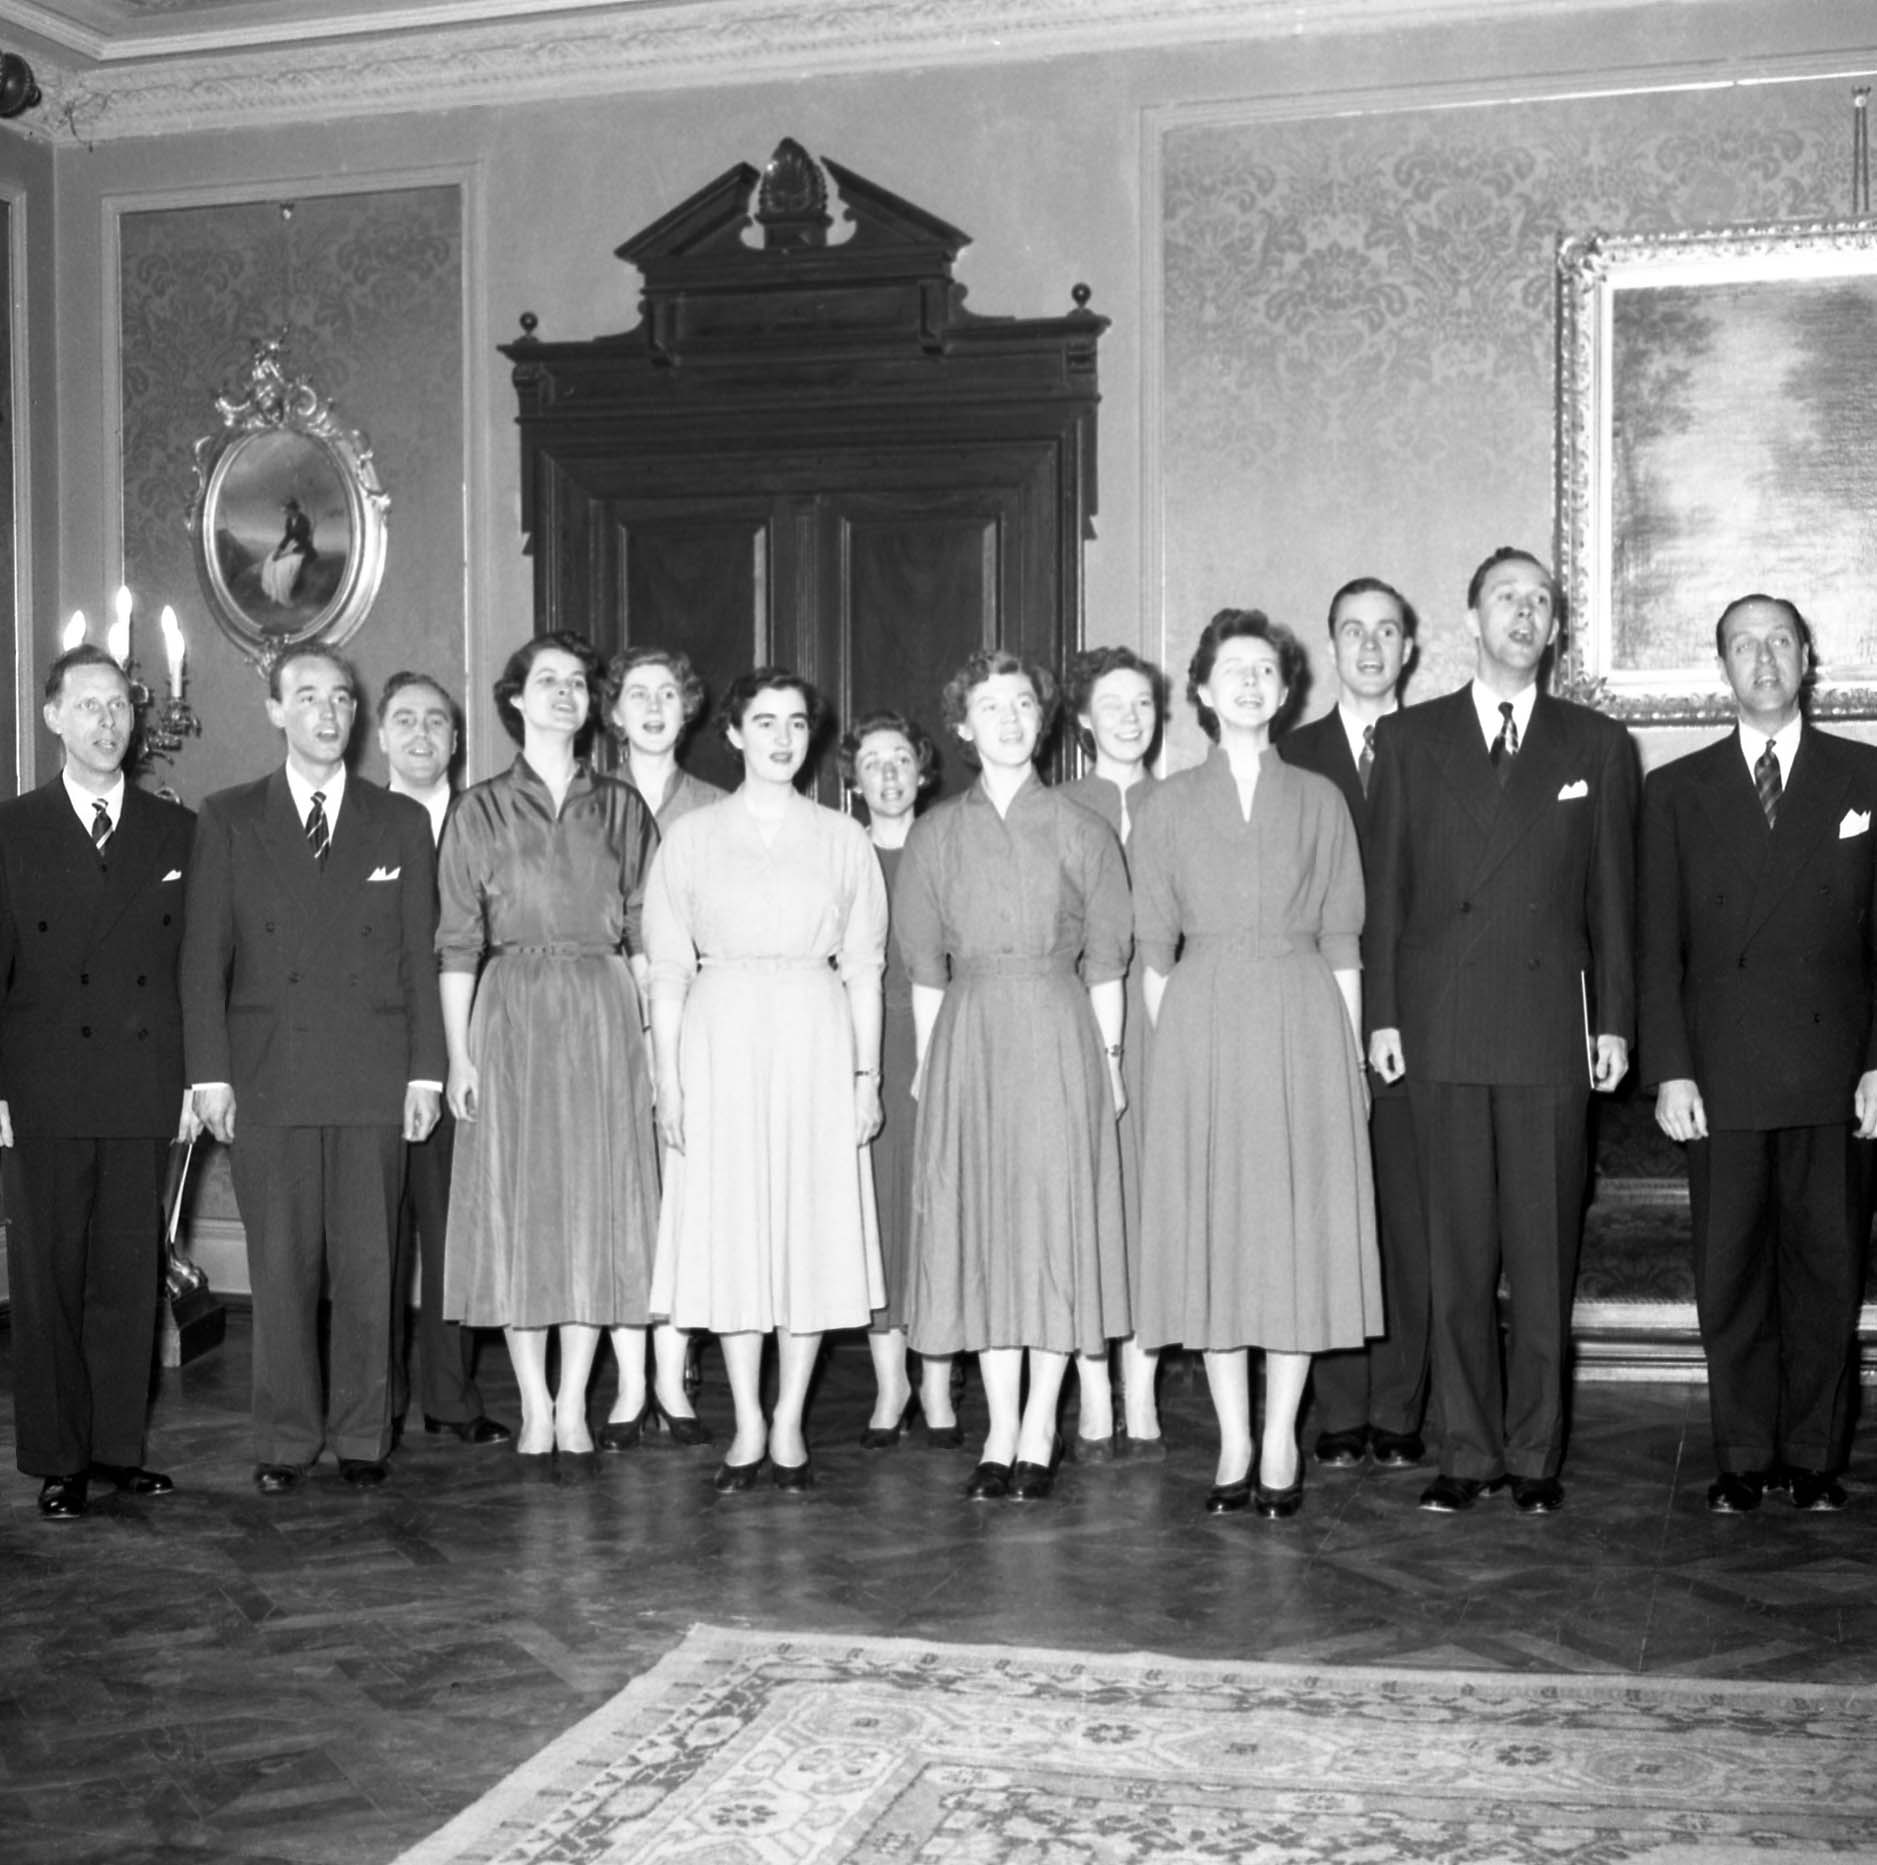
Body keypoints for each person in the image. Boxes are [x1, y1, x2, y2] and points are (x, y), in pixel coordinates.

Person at [1365, 546, 1637, 1516]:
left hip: (1545, 1032)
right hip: (1438, 1027)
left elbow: (1613, 901)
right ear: (1470, 620)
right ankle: (1466, 1452)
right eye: (1505, 598)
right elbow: (1385, 893)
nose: (1524, 613)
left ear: (1554, 628)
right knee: (1456, 1258)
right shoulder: (1408, 739)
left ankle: (1533, 1455)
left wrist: (1612, 1021)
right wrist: (1383, 1014)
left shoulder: (1595, 744)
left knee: (1540, 1252)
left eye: (1540, 601)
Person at [1133, 611, 1380, 1519]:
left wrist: (1347, 1062)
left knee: (1291, 1237)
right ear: (1201, 690)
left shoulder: (1319, 798)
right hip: (1201, 1027)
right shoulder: (1165, 805)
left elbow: (1343, 941)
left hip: (1302, 1023)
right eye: (1231, 668)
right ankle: (1233, 1436)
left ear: (1284, 690)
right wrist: (1175, 1070)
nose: (1248, 681)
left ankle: (1280, 1435)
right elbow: (1153, 953)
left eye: (1264, 669)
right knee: (1217, 1236)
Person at [182, 647, 445, 1493]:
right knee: (282, 1269)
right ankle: (286, 1439)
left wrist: (427, 1074)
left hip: (374, 1076)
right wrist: (208, 1074)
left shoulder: (397, 820)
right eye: (306, 698)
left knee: (370, 1268)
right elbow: (203, 959)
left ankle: (365, 1435)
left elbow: (419, 959)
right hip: (270, 1075)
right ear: (274, 710)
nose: (327, 714)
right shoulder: (228, 816)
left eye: (340, 699)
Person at [1640, 595, 1877, 1515]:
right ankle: (1742, 1456)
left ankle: (1815, 1457)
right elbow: (1657, 947)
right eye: (1743, 645)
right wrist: (1671, 1068)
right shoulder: (1676, 790)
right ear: (1722, 669)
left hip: (1836, 1073)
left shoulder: (1864, 775)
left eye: (1779, 640)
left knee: (1826, 1268)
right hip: (1720, 1073)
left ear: (1806, 656)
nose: (1763, 659)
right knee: (1731, 1271)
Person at [896, 649, 1131, 1504]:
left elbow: (1106, 963)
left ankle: (1039, 1426)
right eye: (989, 706)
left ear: (1044, 719)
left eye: (1023, 704)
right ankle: (998, 1427)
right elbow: (924, 969)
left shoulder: (1081, 828)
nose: (1008, 719)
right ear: (963, 726)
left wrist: (1109, 1064)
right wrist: (931, 1069)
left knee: (1052, 1228)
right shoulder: (935, 834)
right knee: (985, 1232)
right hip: (969, 1039)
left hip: (1059, 1032)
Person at [645, 668, 887, 1492]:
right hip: (719, 1042)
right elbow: (668, 971)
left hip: (815, 1038)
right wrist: (669, 1080)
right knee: (734, 1232)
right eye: (765, 722)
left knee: (808, 1231)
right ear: (734, 733)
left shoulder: (843, 838)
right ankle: (747, 1418)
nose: (782, 738)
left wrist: (865, 1075)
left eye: (796, 723)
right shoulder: (689, 838)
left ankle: (788, 1420)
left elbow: (864, 967)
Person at [438, 633, 665, 1469]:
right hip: (512, 1015)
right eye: (547, 681)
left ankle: (575, 1401)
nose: (564, 693)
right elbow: (457, 943)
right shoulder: (478, 809)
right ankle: (533, 1400)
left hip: (603, 1011)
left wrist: (654, 1044)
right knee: (520, 1207)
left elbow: (646, 935)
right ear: (516, 698)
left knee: (594, 1210)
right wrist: (460, 1057)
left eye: (576, 682)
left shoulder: (623, 808)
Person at [0, 646, 196, 1519]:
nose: (108, 721)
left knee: (127, 1272)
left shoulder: (175, 829)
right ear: (53, 717)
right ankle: (59, 1458)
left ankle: (118, 1448)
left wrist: (194, 1081)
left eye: (119, 705)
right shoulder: (12, 827)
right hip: (41, 1085)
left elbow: (192, 968)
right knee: (49, 1279)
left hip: (142, 1081)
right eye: (88, 705)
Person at [1277, 578, 1433, 1473]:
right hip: (1313, 1012)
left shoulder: (1442, 744)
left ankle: (1400, 1406)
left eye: (1386, 631)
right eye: (1352, 631)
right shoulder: (1291, 755)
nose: (1369, 647)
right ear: (1329, 645)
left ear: (1408, 647)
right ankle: (1338, 1408)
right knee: (1327, 1214)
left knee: (1410, 1218)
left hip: (1418, 1019)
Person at [377, 672, 510, 1450]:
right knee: (377, 1241)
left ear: (455, 740)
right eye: (405, 720)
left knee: (456, 1230)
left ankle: (451, 1399)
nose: (421, 733)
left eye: (436, 721)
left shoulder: (486, 821)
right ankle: (377, 1403)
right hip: (375, 1061)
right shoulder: (355, 822)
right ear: (381, 737)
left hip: (467, 1058)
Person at [1057, 646, 1168, 1459]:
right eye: (1112, 704)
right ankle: (1092, 1382)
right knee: (1088, 1198)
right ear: (1082, 719)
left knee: (1156, 1202)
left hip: (1165, 1021)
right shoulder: (1058, 807)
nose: (1130, 718)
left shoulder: (1184, 800)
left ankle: (1144, 1382)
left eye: (1143, 703)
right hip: (1076, 1015)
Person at [839, 710, 958, 1448]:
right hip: (860, 1044)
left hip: (942, 1034)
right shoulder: (839, 853)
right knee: (877, 1214)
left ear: (922, 770)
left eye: (900, 759)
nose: (888, 773)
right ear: (853, 780)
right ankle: (891, 1386)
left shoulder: (948, 846)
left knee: (937, 1209)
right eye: (872, 762)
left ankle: (938, 1384)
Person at [608, 646, 726, 830]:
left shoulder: (720, 807)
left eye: (667, 695)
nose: (654, 707)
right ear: (616, 714)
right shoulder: (586, 801)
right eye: (639, 694)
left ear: (685, 710)